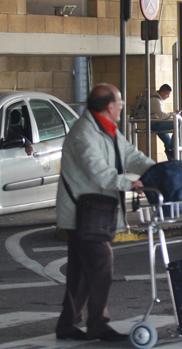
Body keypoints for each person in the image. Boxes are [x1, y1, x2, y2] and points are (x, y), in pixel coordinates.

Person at [55, 83, 155, 341]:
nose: (122, 106)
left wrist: (157, 171)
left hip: (92, 212)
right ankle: (98, 323)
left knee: (80, 270)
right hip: (82, 213)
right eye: (120, 102)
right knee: (100, 264)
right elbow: (98, 172)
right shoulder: (84, 134)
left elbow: (131, 155)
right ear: (110, 106)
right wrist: (130, 183)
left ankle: (67, 324)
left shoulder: (107, 130)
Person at [144, 84, 175, 160]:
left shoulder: (156, 99)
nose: (168, 96)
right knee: (177, 124)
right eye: (168, 94)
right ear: (163, 92)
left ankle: (171, 157)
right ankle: (173, 149)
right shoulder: (155, 100)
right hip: (156, 124)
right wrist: (172, 115)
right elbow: (161, 115)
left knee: (168, 144)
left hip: (156, 123)